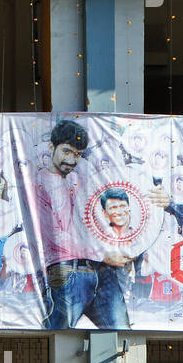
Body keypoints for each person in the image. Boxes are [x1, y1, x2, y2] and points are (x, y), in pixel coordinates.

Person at [25, 120, 164, 330]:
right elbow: (57, 236)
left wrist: (161, 198)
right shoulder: (38, 184)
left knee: (122, 333)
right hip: (67, 271)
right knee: (56, 338)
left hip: (103, 271)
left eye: (77, 154)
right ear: (51, 147)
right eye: (66, 151)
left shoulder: (81, 178)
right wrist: (103, 253)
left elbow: (120, 188)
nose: (71, 160)